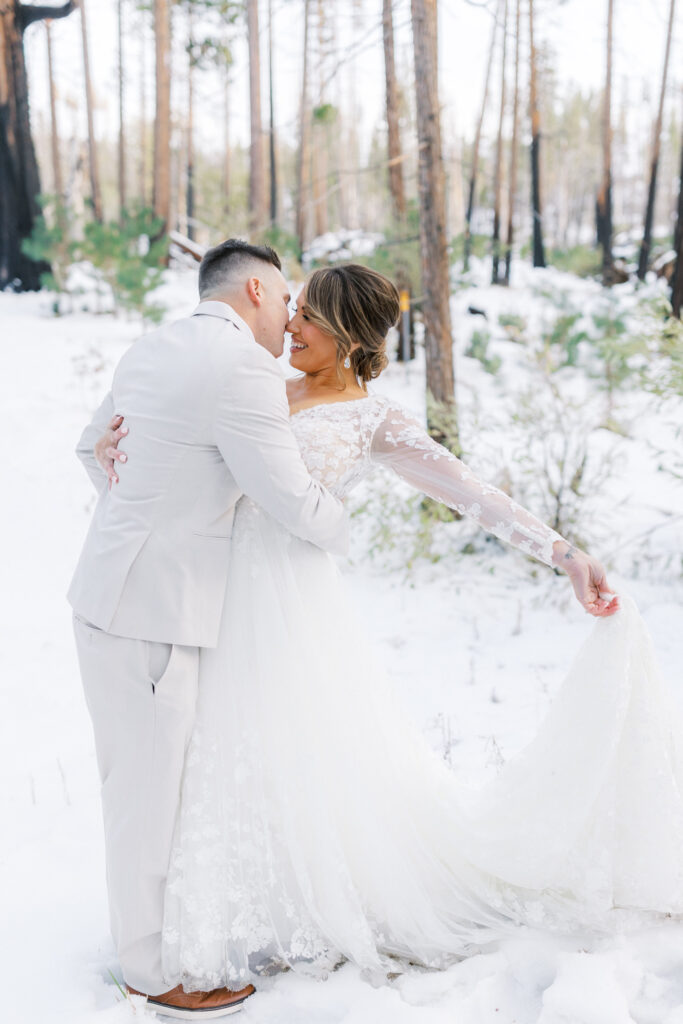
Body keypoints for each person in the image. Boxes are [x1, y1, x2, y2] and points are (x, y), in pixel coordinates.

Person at [97, 263, 683, 998]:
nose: (290, 326)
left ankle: (304, 903)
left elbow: (471, 493)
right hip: (208, 595)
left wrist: (565, 555)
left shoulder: (373, 419)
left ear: (348, 334)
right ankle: (213, 910)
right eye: (293, 310)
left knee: (292, 749)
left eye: (309, 317)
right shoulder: (257, 387)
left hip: (292, 605)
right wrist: (112, 449)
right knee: (210, 751)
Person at [69, 241, 352, 1020]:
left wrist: (143, 507)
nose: (290, 317)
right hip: (151, 610)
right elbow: (289, 498)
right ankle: (150, 973)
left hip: (107, 595)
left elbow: (93, 448)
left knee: (137, 785)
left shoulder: (151, 346)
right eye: (286, 298)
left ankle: (153, 944)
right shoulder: (241, 368)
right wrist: (346, 526)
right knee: (146, 795)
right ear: (256, 289)